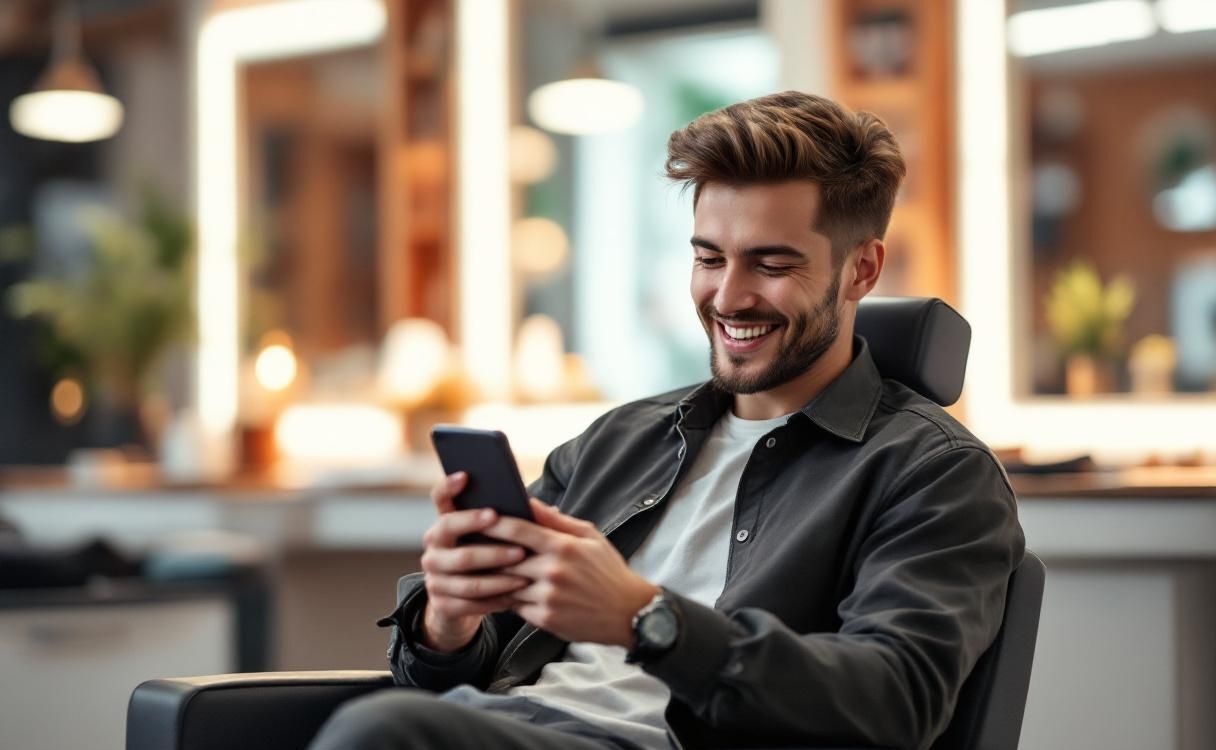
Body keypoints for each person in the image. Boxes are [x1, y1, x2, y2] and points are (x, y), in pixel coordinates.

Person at [309, 91, 1024, 750]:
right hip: (512, 725)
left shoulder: (933, 474)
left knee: (382, 734)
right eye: (709, 258)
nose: (729, 296)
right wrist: (450, 621)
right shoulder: (619, 442)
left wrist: (647, 619)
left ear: (862, 270)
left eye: (771, 264)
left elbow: (897, 700)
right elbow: (449, 674)